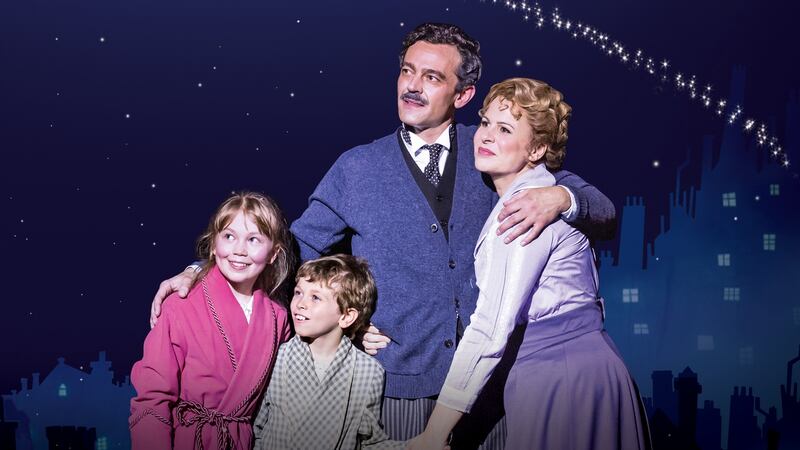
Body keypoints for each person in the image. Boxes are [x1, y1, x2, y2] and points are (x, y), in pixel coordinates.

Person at [150, 23, 617, 448]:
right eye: (407, 71)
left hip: (494, 390)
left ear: (463, 94)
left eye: (433, 77)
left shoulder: (493, 148)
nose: (413, 85)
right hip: (401, 389)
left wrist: (562, 200)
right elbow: (288, 250)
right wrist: (204, 269)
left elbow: (598, 207)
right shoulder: (357, 169)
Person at [408, 78, 650, 450]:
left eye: (504, 129)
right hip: (575, 370)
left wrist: (435, 431)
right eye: (485, 122)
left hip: (561, 378)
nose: (485, 135)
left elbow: (491, 329)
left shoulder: (524, 210)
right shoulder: (525, 192)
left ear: (536, 148)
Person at [129, 192, 294, 450]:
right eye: (229, 236)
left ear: (274, 253)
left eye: (254, 240)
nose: (239, 250)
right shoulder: (178, 306)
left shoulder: (278, 318)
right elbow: (152, 400)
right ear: (214, 244)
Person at [253, 255, 404, 450]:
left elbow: (369, 442)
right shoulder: (277, 357)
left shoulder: (368, 372)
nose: (300, 303)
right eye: (298, 292)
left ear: (347, 316)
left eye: (315, 297)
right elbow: (256, 429)